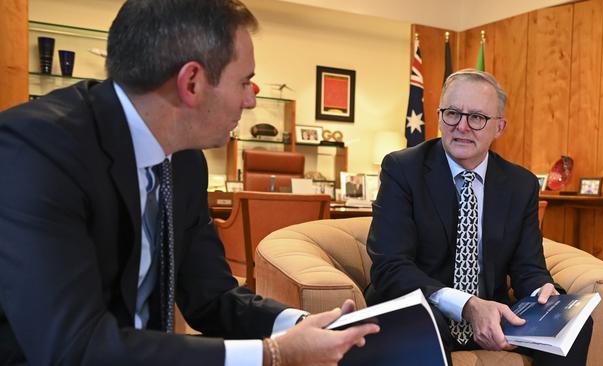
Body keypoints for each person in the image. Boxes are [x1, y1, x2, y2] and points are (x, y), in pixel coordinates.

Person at [0, 0, 378, 365]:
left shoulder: (184, 159)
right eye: (245, 82)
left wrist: (296, 324)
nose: (250, 101)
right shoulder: (37, 150)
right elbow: (72, 346)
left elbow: (211, 295)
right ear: (192, 82)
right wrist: (274, 354)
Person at [365, 69, 592, 365]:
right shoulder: (403, 169)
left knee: (574, 326)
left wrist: (543, 293)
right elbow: (390, 267)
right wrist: (467, 305)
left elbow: (528, 267)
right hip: (422, 306)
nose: (462, 126)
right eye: (452, 113)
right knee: (424, 325)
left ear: (499, 127)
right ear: (438, 116)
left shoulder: (520, 183)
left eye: (477, 117)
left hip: (493, 315)